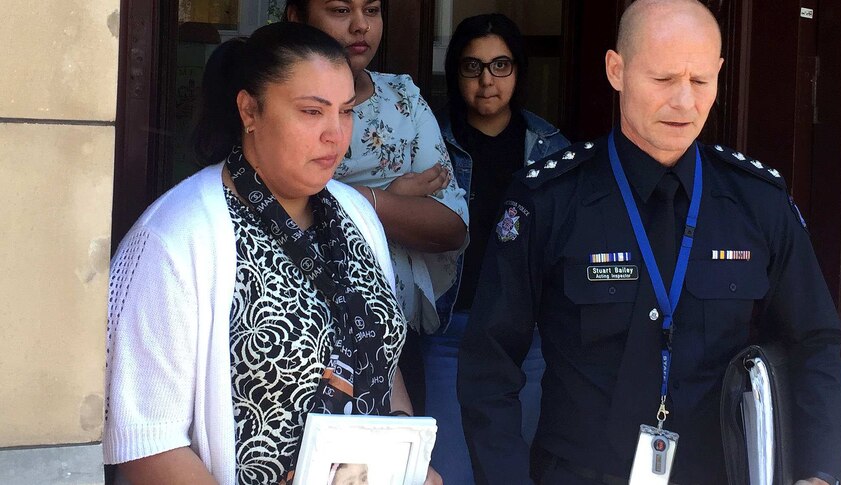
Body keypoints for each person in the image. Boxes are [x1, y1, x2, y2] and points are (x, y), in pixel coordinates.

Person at [457, 1, 841, 484]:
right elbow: (488, 363)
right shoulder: (550, 198)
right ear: (616, 70)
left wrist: (819, 472)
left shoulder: (756, 200)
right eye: (664, 80)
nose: (684, 102)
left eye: (700, 81)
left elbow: (815, 343)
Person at [103, 22, 416, 484]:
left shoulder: (357, 217)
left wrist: (408, 460)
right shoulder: (177, 238)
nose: (335, 134)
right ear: (250, 110)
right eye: (312, 112)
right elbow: (146, 442)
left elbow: (385, 365)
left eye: (346, 112)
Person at [283, 0, 470, 417]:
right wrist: (397, 198)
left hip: (397, 341)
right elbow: (278, 210)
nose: (360, 26)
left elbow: (451, 226)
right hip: (297, 350)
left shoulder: (402, 97)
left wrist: (365, 198)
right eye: (339, 10)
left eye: (372, 9)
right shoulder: (278, 107)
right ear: (297, 17)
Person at [425, 13, 570, 484]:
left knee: (514, 470)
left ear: (518, 71)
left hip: (525, 339)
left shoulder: (550, 146)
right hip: (450, 333)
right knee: (449, 470)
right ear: (455, 73)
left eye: (500, 65)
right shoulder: (429, 141)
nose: (487, 80)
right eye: (472, 67)